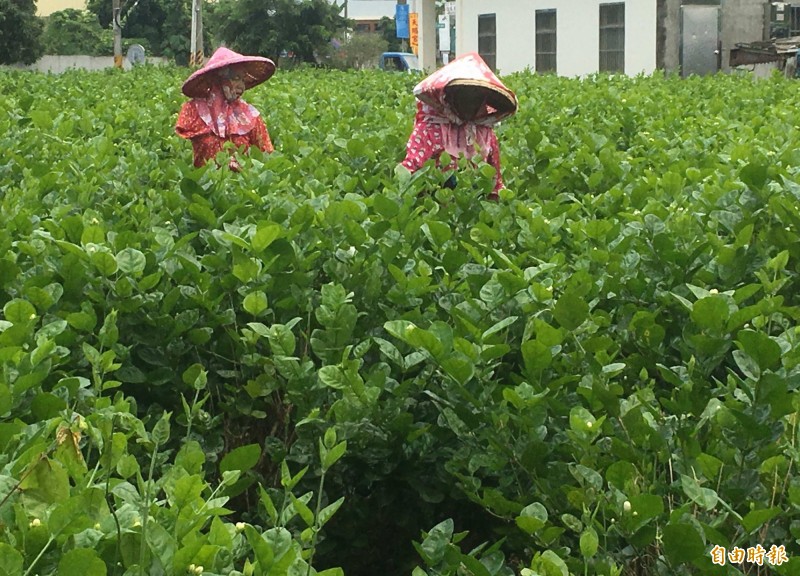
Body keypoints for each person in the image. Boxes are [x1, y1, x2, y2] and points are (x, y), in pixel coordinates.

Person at [399, 52, 518, 201]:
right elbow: (411, 173)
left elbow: (494, 180)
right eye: (465, 95)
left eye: (477, 97)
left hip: (473, 205)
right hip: (436, 206)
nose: (471, 103)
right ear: (451, 97)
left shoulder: (485, 134)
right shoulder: (431, 129)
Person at [176, 47, 276, 171]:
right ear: (218, 79)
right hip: (206, 186)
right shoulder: (194, 111)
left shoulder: (249, 116)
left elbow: (266, 156)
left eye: (243, 80)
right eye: (235, 79)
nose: (241, 86)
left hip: (241, 185)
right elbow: (178, 152)